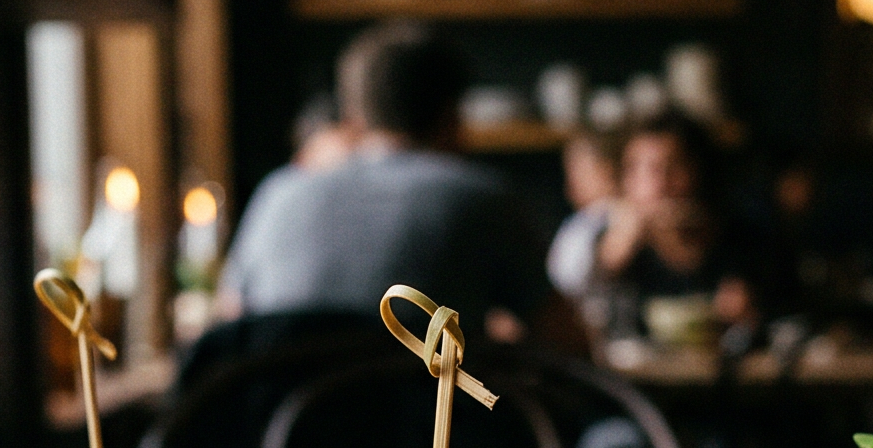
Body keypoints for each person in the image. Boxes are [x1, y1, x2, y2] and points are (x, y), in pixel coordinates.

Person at [221, 26, 577, 347]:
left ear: (351, 118)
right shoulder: (479, 197)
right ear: (452, 115)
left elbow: (231, 324)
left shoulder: (279, 194)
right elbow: (567, 344)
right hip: (431, 421)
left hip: (283, 416)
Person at [594, 114, 755, 328]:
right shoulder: (612, 246)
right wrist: (609, 264)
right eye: (645, 169)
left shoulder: (743, 241)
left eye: (673, 167)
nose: (659, 184)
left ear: (699, 171)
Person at [546, 130, 620, 297]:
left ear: (606, 171)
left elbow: (568, 279)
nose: (570, 184)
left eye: (577, 172)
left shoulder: (603, 216)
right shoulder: (585, 220)